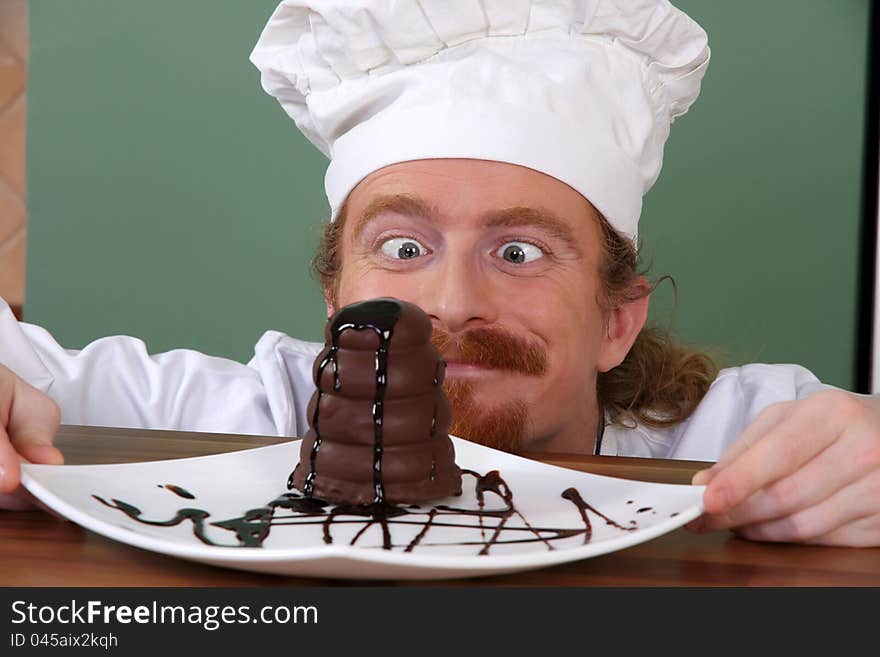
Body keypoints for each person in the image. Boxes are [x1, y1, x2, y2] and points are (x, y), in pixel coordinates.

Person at [1, 0, 879, 546]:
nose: (453, 304)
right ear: (335, 299)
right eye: (406, 249)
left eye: (519, 252)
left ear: (618, 321)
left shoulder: (741, 446)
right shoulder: (232, 427)